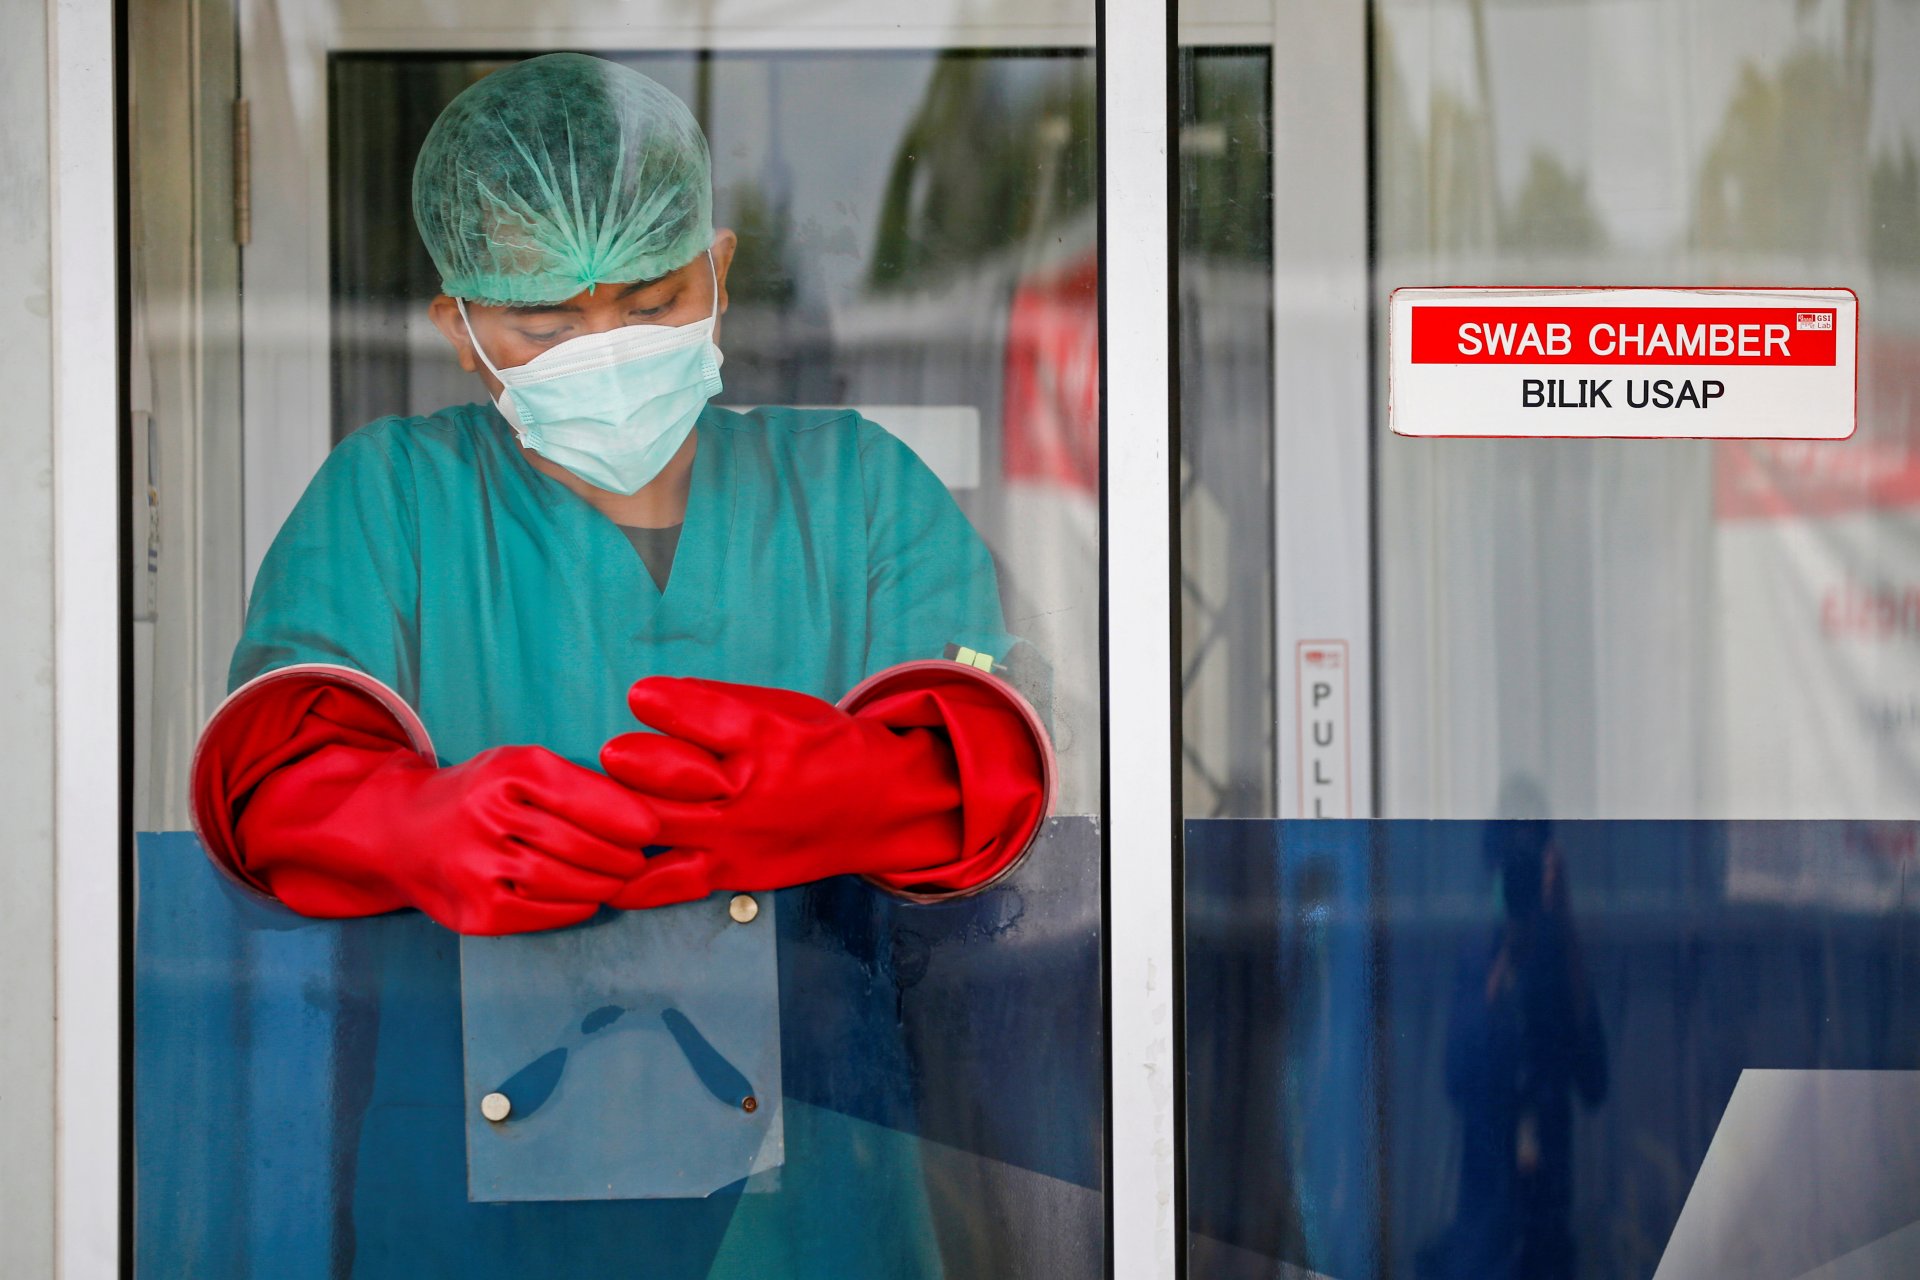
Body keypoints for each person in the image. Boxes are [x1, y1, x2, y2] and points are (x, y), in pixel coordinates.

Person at [188, 51, 1051, 1276]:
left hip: (817, 1153)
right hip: (473, 1175)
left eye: (650, 304)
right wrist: (403, 822)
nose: (605, 347)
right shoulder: (392, 495)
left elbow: (1000, 747)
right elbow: (273, 767)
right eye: (543, 324)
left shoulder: (855, 486)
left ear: (721, 268)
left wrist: (868, 782)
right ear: (462, 330)